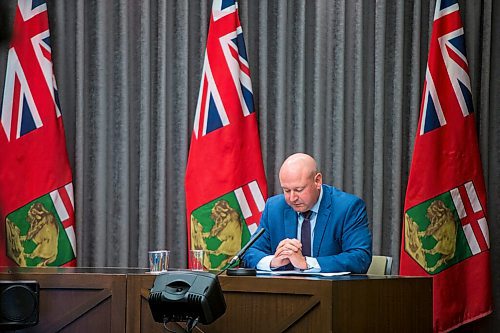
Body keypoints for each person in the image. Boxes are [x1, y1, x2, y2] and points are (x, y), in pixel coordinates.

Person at [242, 153, 372, 273]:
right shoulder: (274, 207)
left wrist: (306, 263)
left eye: (299, 189)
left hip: (331, 293)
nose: (292, 198)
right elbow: (249, 253)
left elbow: (360, 258)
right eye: (286, 190)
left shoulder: (347, 207)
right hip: (283, 293)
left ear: (317, 181)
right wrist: (273, 262)